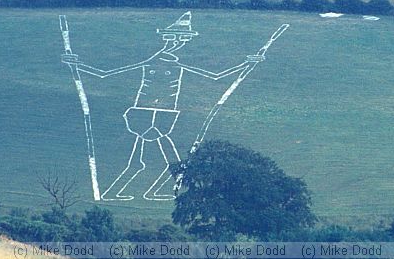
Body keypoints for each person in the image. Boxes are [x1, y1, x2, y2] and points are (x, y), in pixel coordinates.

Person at [62, 12, 263, 200]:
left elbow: (215, 76)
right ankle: (140, 192)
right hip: (145, 115)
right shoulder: (152, 62)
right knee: (166, 160)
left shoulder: (176, 64)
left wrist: (246, 64)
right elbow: (105, 74)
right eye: (174, 38)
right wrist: (76, 64)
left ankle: (136, 192)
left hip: (163, 115)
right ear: (167, 39)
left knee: (146, 160)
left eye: (182, 39)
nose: (178, 43)